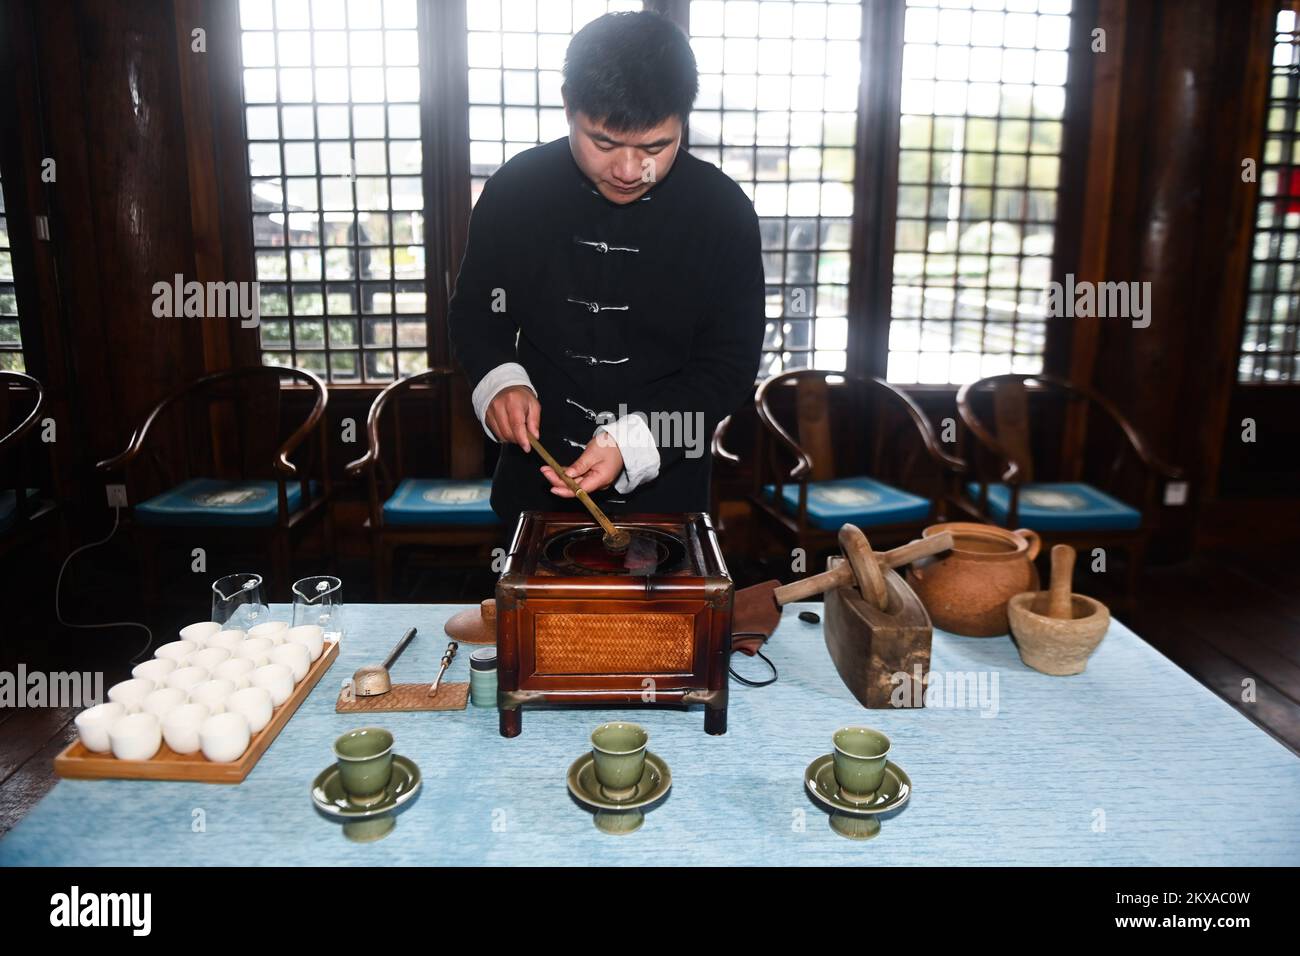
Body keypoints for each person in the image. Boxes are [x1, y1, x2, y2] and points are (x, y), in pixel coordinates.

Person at [449, 10, 764, 529]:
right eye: (603, 142)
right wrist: (500, 380)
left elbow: (729, 370)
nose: (627, 170)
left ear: (683, 120)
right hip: (534, 489)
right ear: (569, 106)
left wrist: (639, 439)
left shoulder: (722, 211)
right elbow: (477, 315)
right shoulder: (515, 191)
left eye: (655, 147)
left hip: (671, 498)